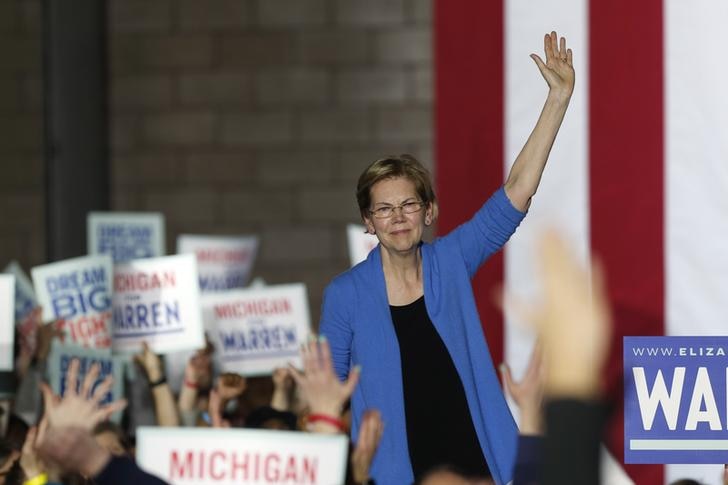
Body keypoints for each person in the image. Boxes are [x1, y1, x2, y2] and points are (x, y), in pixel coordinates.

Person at [320, 31, 575, 485]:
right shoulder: (344, 296)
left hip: (479, 467)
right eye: (384, 208)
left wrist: (557, 100)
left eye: (409, 205)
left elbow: (516, 191)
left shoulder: (450, 261)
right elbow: (327, 401)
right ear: (368, 220)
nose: (397, 217)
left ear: (429, 211)